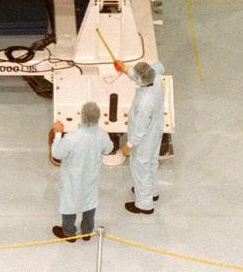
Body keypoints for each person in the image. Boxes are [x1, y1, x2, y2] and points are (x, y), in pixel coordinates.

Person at [50, 101, 113, 243]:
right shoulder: (102, 135)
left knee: (69, 204)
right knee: (89, 203)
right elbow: (109, 149)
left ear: (81, 116)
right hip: (91, 177)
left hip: (72, 179)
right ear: (98, 117)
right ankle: (86, 232)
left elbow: (57, 154)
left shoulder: (72, 137)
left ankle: (69, 232)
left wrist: (58, 134)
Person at [122, 61, 166, 214]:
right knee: (151, 162)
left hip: (144, 139)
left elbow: (139, 129)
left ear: (140, 79)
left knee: (141, 168)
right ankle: (152, 191)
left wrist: (129, 145)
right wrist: (125, 69)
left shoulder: (144, 103)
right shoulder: (156, 77)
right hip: (155, 131)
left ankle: (144, 204)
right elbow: (155, 67)